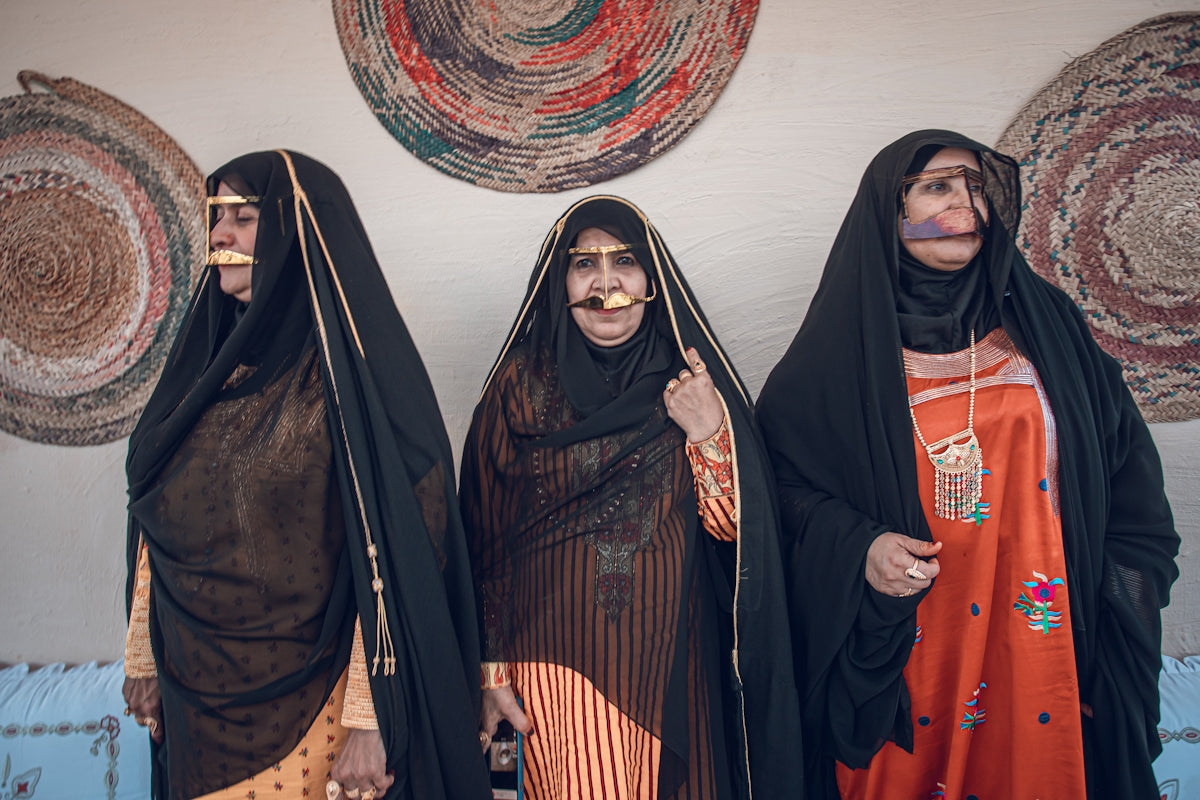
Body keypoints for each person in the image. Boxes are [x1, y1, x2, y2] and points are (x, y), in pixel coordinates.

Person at [756, 130, 1180, 799]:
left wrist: (1116, 621)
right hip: (906, 652)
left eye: (977, 186)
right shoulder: (838, 356)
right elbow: (775, 489)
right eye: (937, 187)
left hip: (1042, 647)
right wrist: (859, 548)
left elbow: (1126, 476)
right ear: (887, 214)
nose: (965, 204)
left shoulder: (1046, 330)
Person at [121, 150, 491, 800]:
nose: (220, 237)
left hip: (312, 715)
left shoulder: (352, 386)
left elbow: (399, 551)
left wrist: (372, 713)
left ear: (296, 229)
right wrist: (142, 656)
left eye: (244, 217)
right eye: (216, 219)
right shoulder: (198, 379)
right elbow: (162, 524)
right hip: (193, 709)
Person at [459, 196, 803, 799]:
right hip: (545, 677)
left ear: (651, 280)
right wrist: (489, 677)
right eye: (583, 263)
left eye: (624, 261)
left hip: (668, 664)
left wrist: (708, 431)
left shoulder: (688, 381)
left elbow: (733, 534)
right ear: (559, 283)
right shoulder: (517, 387)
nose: (606, 282)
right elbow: (480, 541)